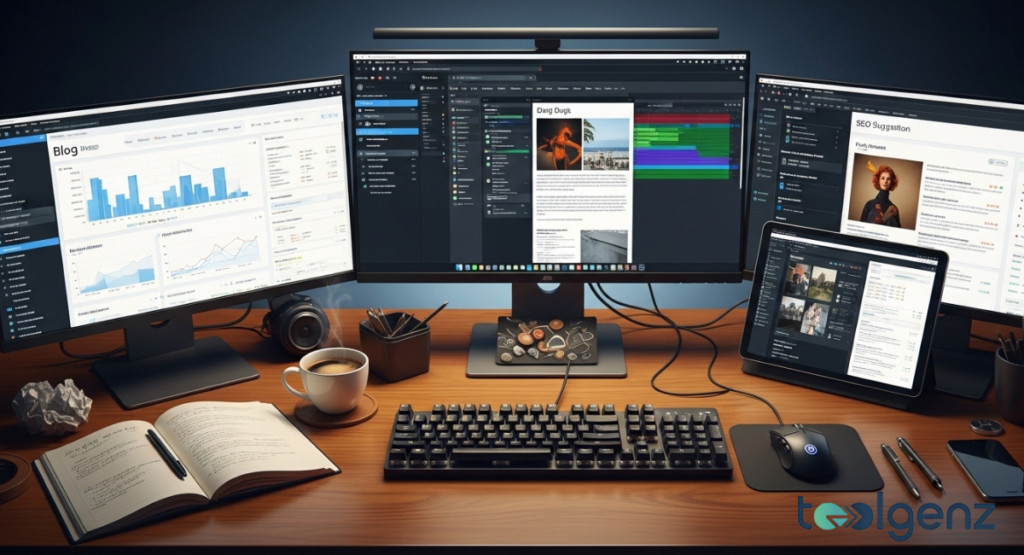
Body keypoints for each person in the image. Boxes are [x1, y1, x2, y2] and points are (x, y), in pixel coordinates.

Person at [859, 161, 901, 227]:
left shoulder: (894, 209)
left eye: (888, 179)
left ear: (892, 182)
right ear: (878, 181)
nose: (885, 181)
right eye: (883, 178)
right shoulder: (869, 205)